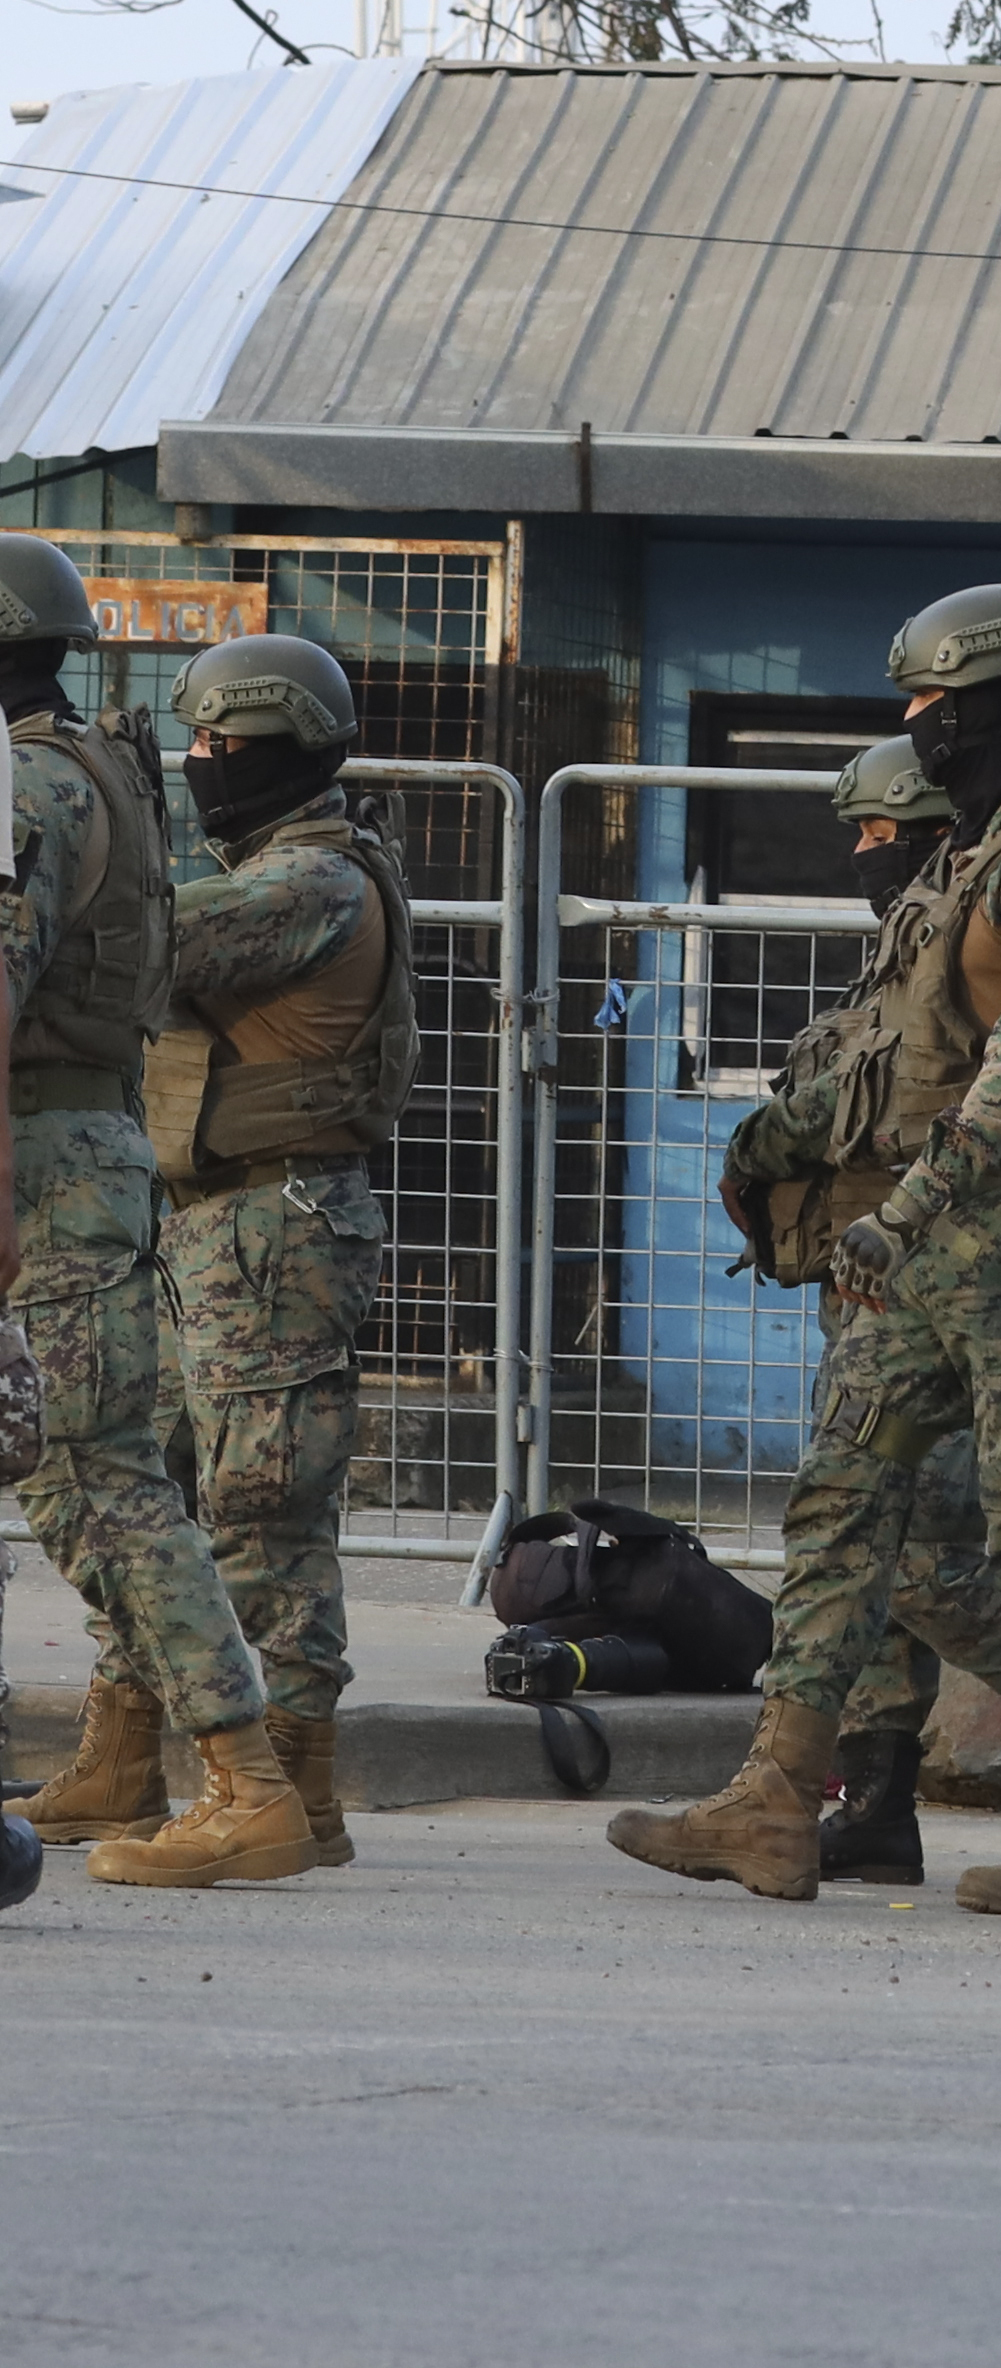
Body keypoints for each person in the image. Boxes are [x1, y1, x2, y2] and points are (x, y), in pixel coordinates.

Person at [615, 585, 1001, 1917]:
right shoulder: (967, 864)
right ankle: (776, 1802)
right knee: (843, 1506)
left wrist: (906, 1211)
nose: (915, 723)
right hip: (921, 1247)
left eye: (931, 701)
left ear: (994, 704)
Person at [705, 734, 1001, 1888]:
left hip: (955, 1271)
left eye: (881, 833)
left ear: (936, 832)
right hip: (875, 1281)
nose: (863, 855)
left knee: (923, 1555)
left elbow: (879, 1095)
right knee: (860, 1544)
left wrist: (761, 1141)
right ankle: (871, 1805)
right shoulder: (905, 945)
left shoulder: (990, 927)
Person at [0, 546, 317, 1889]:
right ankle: (146, 1752)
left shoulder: (25, 783)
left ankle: (250, 1784)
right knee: (68, 1476)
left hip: (39, 1160)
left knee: (107, 1477)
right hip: (74, 1147)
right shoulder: (90, 766)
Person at [152, 631, 418, 1879]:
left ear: (282, 746)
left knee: (263, 1513)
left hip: (271, 1230)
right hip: (220, 1224)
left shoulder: (305, 884)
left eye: (219, 742)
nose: (199, 762)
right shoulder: (285, 866)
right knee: (157, 1491)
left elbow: (136, 939)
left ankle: (290, 1795)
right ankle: (133, 1760)